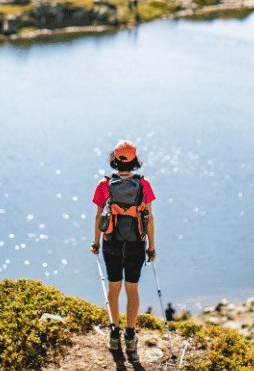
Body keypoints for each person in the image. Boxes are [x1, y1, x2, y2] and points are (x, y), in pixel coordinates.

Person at [91, 140, 156, 353]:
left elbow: (99, 217)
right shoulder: (144, 184)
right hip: (136, 243)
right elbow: (149, 218)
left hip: (111, 242)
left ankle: (113, 332)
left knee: (114, 288)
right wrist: (151, 247)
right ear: (135, 160)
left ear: (114, 159)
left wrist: (96, 243)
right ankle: (130, 335)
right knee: (132, 289)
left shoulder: (104, 184)